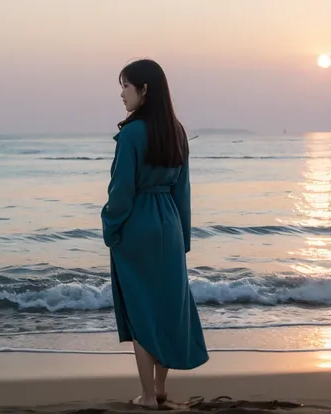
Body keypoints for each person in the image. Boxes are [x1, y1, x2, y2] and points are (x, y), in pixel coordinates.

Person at [100, 58, 209, 409]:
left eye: (126, 86)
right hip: (170, 225)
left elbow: (121, 192)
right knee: (164, 307)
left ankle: (147, 396)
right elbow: (184, 192)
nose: (121, 94)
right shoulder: (176, 131)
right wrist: (184, 239)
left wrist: (111, 227)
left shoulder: (132, 134)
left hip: (138, 226)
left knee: (141, 309)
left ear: (144, 90)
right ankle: (160, 388)